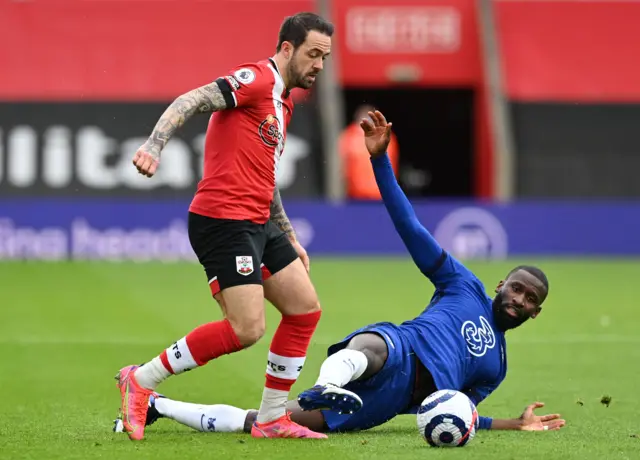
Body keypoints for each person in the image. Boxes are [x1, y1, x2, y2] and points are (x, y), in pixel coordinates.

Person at [114, 109, 566, 436]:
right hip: (401, 348)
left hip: (385, 404)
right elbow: (409, 226)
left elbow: (462, 412)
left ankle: (160, 407)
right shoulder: (462, 284)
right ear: (501, 283)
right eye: (518, 288)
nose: (519, 300)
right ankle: (330, 384)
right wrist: (379, 162)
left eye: (530, 300)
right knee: (372, 346)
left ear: (535, 313)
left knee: (267, 423)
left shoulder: (497, 367)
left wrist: (512, 424)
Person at [116, 12, 334, 441]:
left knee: (304, 309)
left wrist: (287, 233)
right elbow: (191, 100)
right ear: (287, 49)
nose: (319, 66)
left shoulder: (283, 102)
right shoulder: (255, 80)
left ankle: (271, 419)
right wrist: (153, 145)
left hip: (259, 221)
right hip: (223, 220)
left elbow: (265, 175)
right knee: (246, 328)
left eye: (324, 58)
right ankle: (140, 380)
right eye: (313, 54)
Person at [339, 104, 400, 201]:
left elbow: (392, 163)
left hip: (382, 192)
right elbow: (343, 166)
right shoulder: (348, 136)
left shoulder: (387, 136)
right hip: (356, 195)